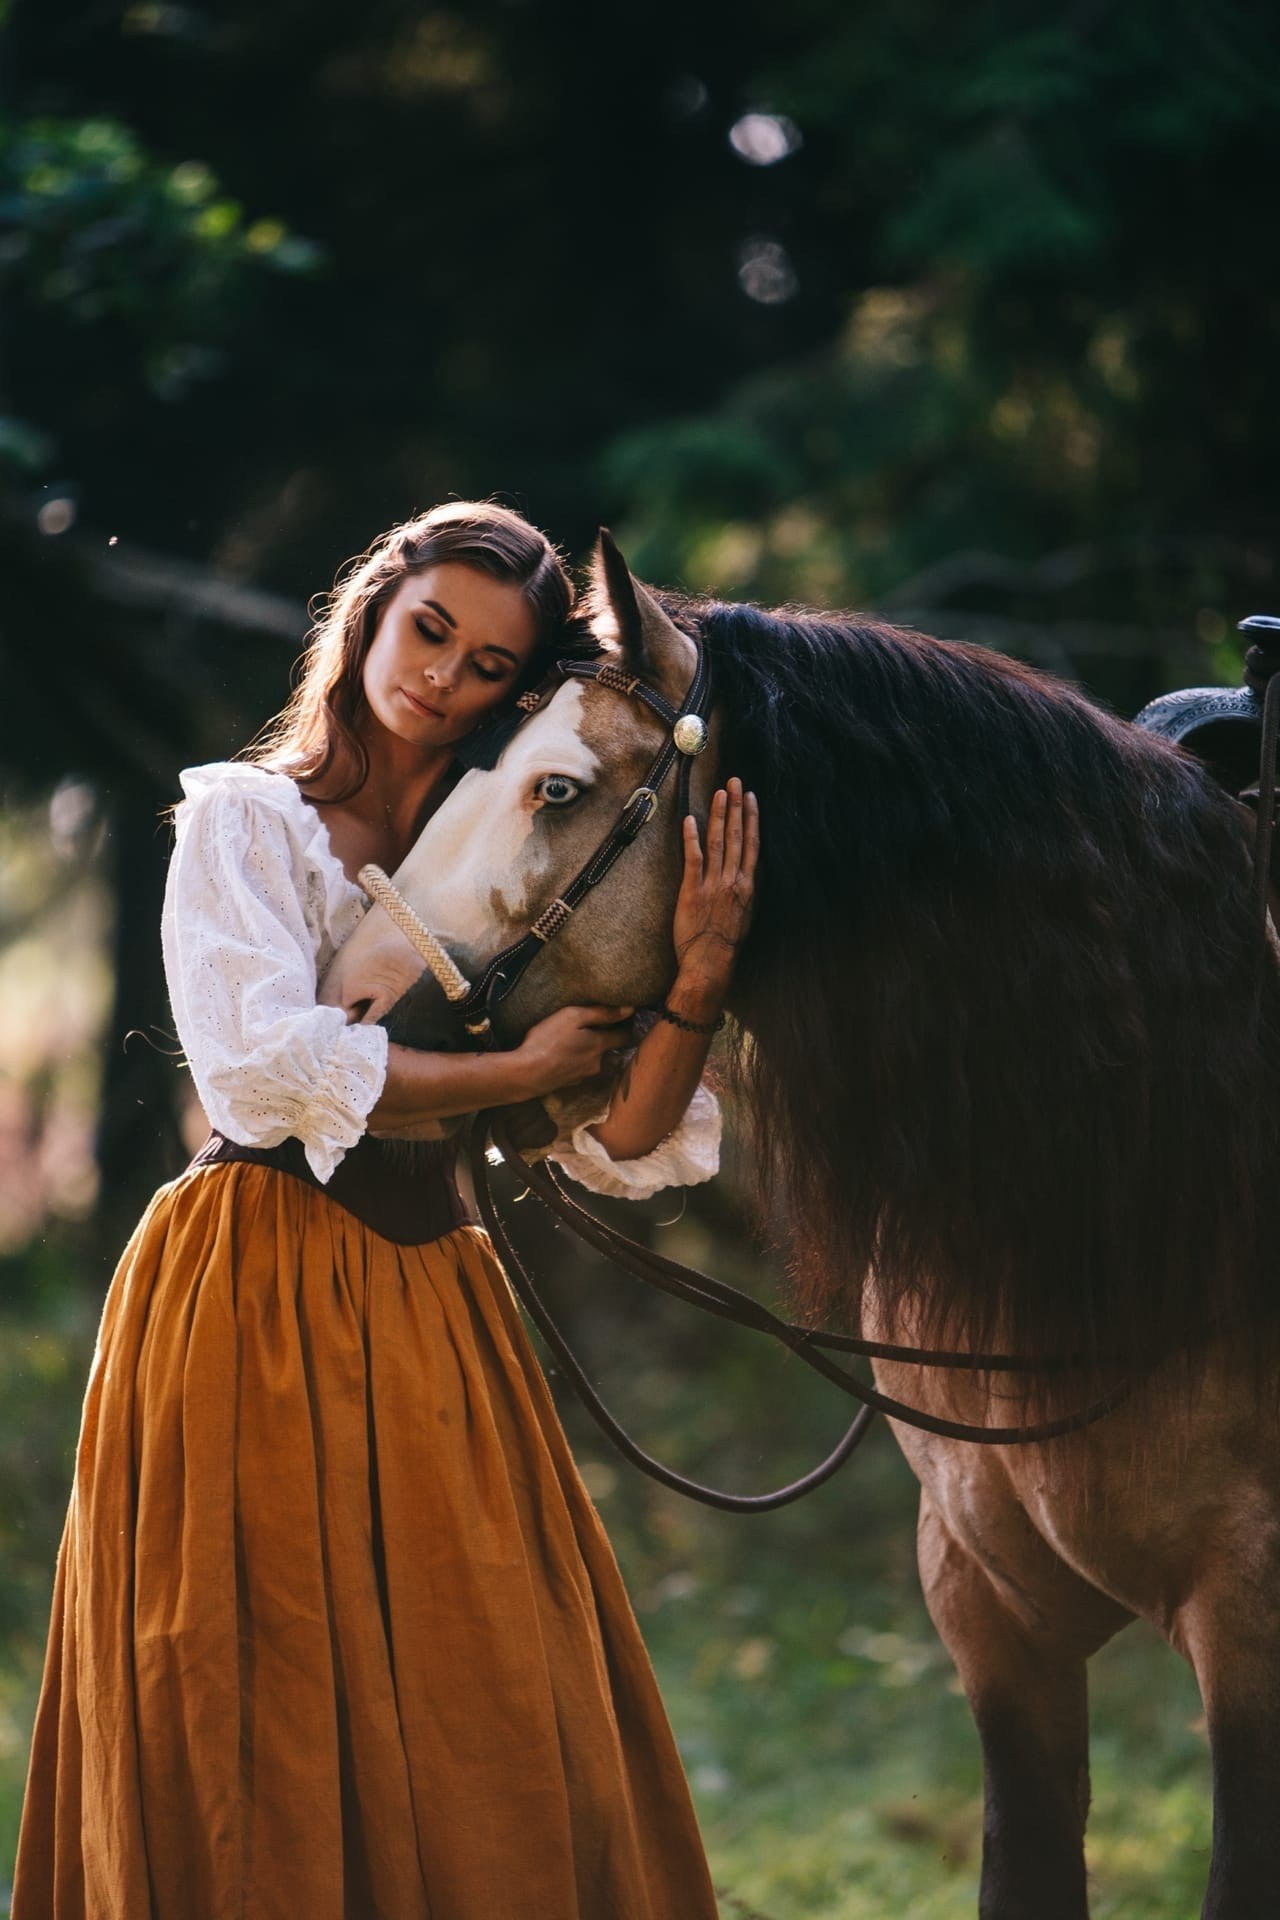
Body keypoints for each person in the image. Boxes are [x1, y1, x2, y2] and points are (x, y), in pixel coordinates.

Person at [12, 501, 759, 1919]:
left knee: (495, 1676)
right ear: (371, 608)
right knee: (255, 1680)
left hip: (433, 1289)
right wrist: (508, 1067)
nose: (441, 676)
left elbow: (627, 1134)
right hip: (253, 1283)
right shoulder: (250, 823)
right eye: (430, 629)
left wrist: (698, 984)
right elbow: (256, 1066)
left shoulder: (502, 845)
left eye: (488, 666)